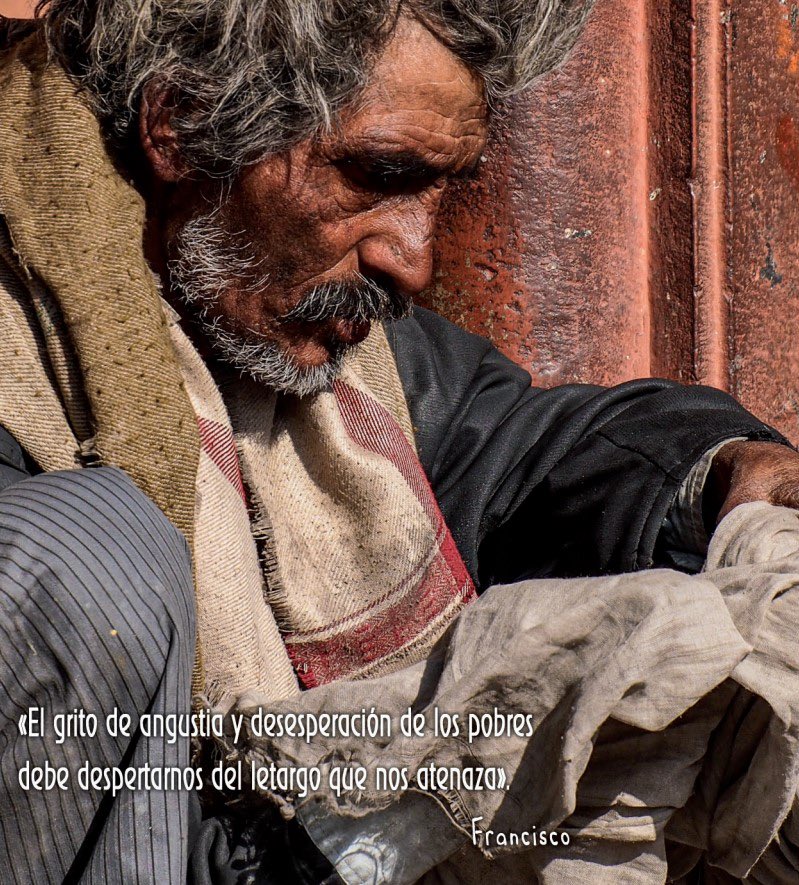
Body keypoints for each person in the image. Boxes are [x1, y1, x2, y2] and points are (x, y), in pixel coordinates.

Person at [0, 2, 798, 882]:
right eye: (377, 174)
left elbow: (507, 444)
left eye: (440, 188)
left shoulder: (279, 310)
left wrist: (719, 474)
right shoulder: (29, 367)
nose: (414, 260)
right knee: (91, 553)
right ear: (180, 123)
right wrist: (357, 831)